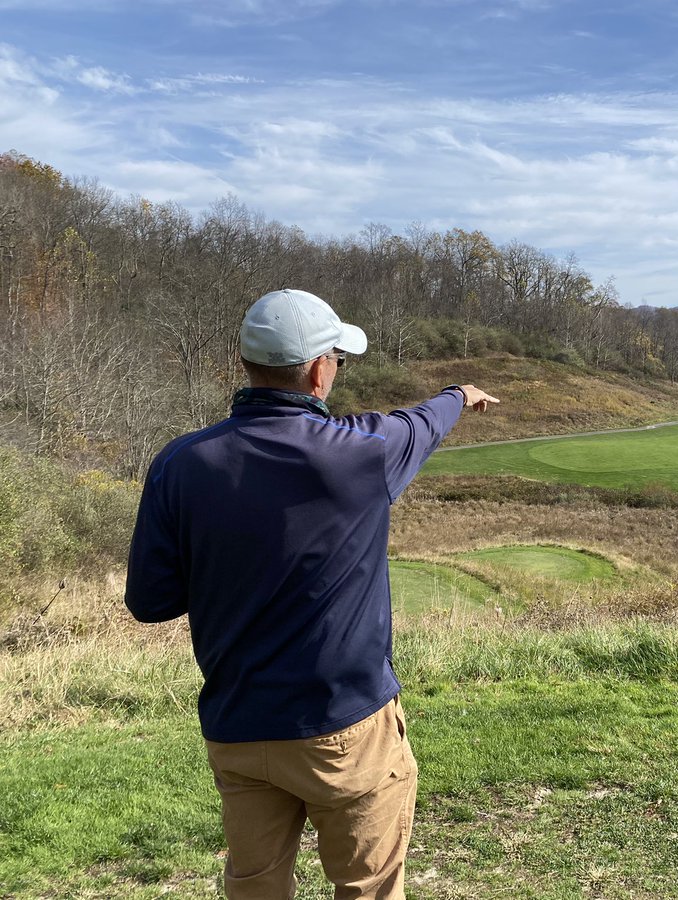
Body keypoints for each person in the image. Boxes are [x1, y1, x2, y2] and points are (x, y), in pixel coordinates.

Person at [125, 288, 497, 899]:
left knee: (255, 888)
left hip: (238, 724)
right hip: (343, 727)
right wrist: (460, 394)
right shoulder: (364, 452)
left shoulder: (180, 463)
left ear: (246, 362)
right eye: (338, 360)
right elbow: (424, 423)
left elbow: (150, 601)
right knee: (367, 887)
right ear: (321, 370)